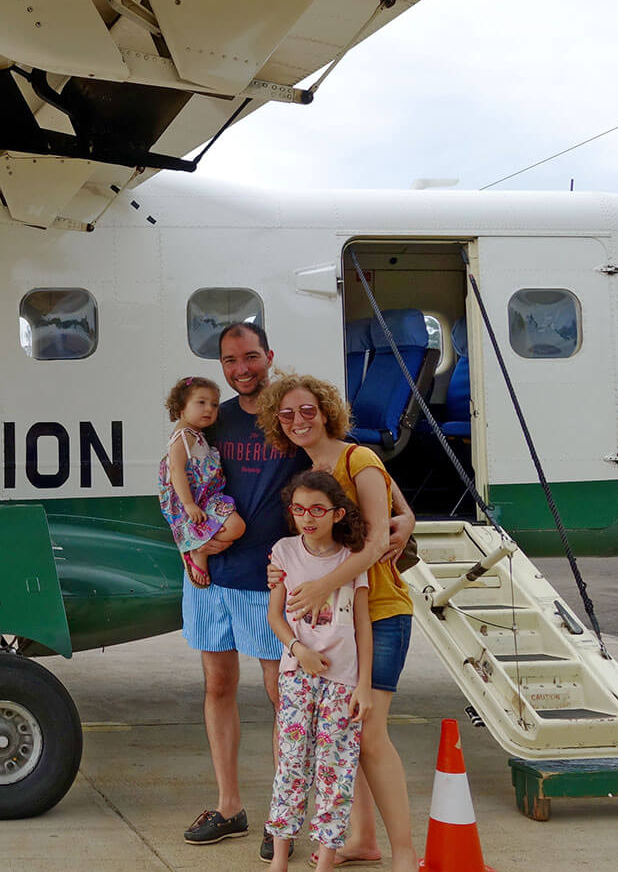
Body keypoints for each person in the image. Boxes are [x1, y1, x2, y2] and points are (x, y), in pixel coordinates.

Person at [257, 373, 418, 872]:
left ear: (326, 411)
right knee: (348, 735)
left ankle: (405, 855)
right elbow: (403, 511)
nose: (299, 420)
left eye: (307, 410)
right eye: (287, 414)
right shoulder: (310, 470)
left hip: (380, 610)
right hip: (335, 625)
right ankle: (363, 838)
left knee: (368, 733)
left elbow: (374, 541)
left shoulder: (358, 458)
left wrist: (323, 586)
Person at [181, 321, 308, 860]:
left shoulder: (292, 417)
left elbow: (340, 461)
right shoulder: (213, 420)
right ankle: (230, 806)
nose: (242, 369)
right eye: (231, 361)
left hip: (270, 577)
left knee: (284, 696)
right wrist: (191, 545)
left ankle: (284, 817)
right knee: (217, 686)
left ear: (270, 356)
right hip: (211, 575)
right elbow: (181, 485)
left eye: (251, 357)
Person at [264, 470, 373, 872]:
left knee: (336, 769)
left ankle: (325, 860)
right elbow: (275, 616)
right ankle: (279, 859)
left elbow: (364, 626)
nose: (307, 518)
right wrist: (298, 650)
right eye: (298, 509)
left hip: (343, 681)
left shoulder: (352, 560)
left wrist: (363, 685)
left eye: (316, 510)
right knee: (291, 764)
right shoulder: (284, 552)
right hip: (297, 674)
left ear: (337, 513)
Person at [159, 376, 246, 587]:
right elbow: (176, 470)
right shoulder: (183, 436)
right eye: (201, 402)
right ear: (181, 407)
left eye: (214, 404)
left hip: (208, 496)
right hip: (196, 500)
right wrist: (189, 504)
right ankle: (197, 550)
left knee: (237, 527)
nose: (209, 409)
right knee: (236, 527)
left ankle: (198, 546)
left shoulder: (197, 433)